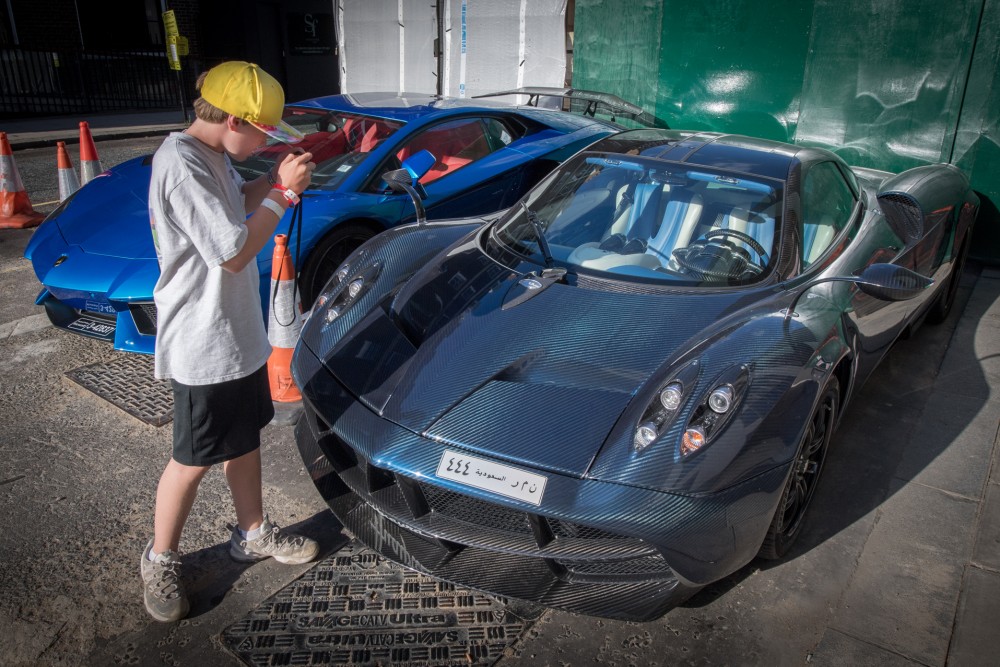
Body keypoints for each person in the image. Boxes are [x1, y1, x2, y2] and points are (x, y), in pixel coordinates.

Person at [141, 61, 318, 623]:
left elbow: (239, 200)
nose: (265, 142)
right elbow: (235, 250)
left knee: (243, 442)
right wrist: (284, 198)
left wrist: (275, 179)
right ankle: (159, 558)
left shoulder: (213, 155)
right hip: (201, 339)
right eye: (263, 132)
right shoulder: (182, 165)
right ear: (234, 118)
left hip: (235, 333)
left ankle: (253, 533)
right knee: (190, 460)